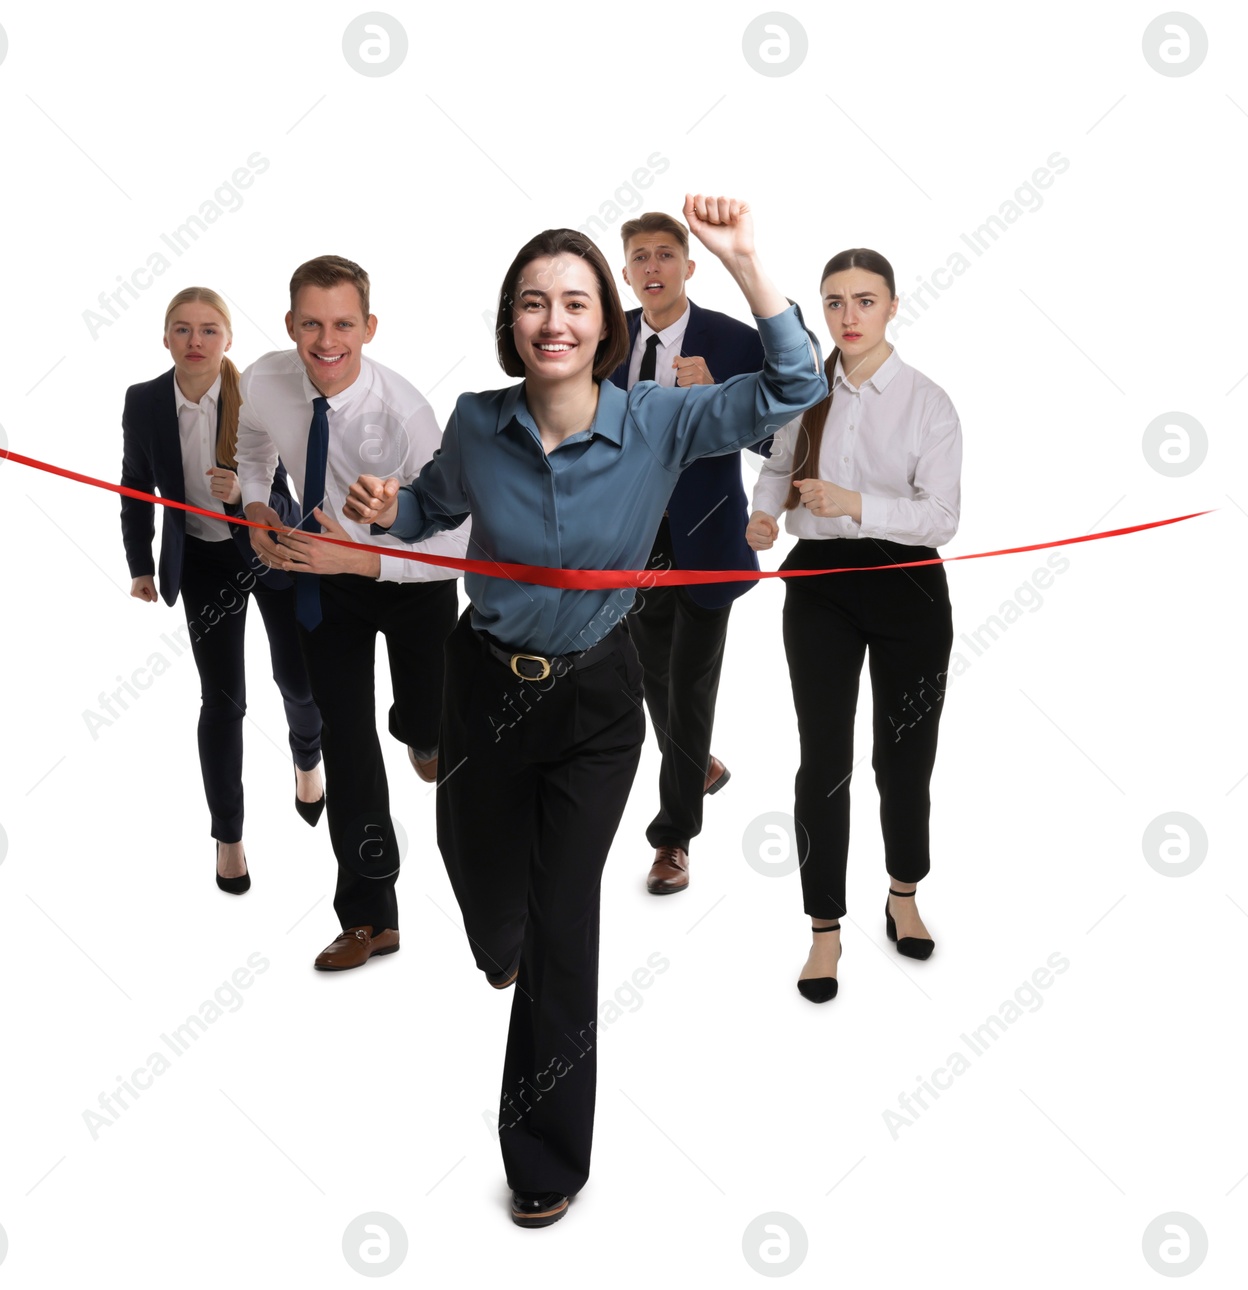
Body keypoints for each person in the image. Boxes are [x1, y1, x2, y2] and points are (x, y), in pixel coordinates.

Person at [343, 195, 827, 1228]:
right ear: (510, 323)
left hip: (598, 704)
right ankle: (497, 933)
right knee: (481, 886)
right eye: (531, 303)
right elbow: (435, 503)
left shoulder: (660, 419)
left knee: (567, 924)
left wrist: (744, 263)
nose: (552, 321)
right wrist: (394, 506)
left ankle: (545, 1156)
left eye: (572, 302)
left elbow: (792, 385)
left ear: (603, 322)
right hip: (482, 691)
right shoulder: (479, 418)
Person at [235, 255, 469, 972]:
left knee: (430, 728)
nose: (325, 340)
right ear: (290, 325)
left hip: (412, 578)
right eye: (311, 323)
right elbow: (252, 448)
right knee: (346, 737)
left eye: (342, 323)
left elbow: (458, 542)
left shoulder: (406, 414)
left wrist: (365, 559)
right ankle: (371, 914)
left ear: (368, 327)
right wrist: (253, 510)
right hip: (324, 577)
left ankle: (422, 732)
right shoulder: (268, 379)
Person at [746, 248, 963, 1003]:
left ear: (893, 307)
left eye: (864, 301)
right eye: (834, 302)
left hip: (909, 587)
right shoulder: (808, 393)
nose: (848, 317)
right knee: (823, 761)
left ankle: (903, 895)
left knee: (903, 759)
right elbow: (778, 469)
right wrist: (765, 516)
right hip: (820, 586)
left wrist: (857, 504)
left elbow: (943, 516)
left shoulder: (929, 402)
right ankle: (824, 930)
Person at [119, 286, 325, 895]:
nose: (195, 341)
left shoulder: (256, 397)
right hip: (204, 564)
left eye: (209, 330)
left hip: (268, 551)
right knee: (223, 701)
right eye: (182, 330)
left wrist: (246, 495)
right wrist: (141, 564)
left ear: (228, 340)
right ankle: (228, 835)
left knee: (297, 678)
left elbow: (297, 502)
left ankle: (308, 758)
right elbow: (135, 487)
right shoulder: (144, 401)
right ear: (165, 339)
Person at [610, 210, 769, 894]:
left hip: (707, 538)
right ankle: (695, 761)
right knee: (652, 674)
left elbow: (777, 440)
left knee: (691, 683)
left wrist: (722, 401)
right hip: (632, 540)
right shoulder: (602, 337)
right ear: (625, 272)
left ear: (688, 267)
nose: (653, 267)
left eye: (665, 255)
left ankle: (673, 837)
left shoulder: (733, 341)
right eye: (640, 256)